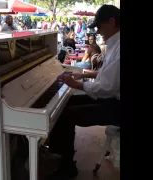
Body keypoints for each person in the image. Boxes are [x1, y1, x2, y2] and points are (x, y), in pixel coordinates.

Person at [47, 4, 120, 179]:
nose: (98, 31)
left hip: (117, 107)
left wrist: (76, 84)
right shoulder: (115, 42)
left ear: (112, 22)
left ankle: (67, 166)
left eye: (100, 26)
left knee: (67, 115)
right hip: (111, 98)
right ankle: (58, 153)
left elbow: (108, 87)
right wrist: (83, 75)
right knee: (67, 104)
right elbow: (110, 74)